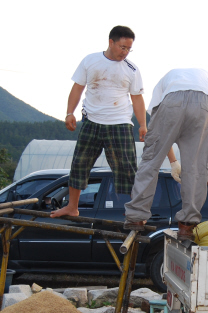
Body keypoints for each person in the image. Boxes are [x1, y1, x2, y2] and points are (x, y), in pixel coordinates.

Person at [123, 68, 208, 240]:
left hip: (171, 101)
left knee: (151, 162)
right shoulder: (207, 77)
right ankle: (187, 225)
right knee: (196, 169)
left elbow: (160, 139)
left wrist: (173, 162)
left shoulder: (166, 79)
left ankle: (136, 217)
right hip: (202, 104)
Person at [51, 25, 147, 218]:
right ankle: (72, 207)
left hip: (120, 123)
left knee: (127, 169)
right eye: (122, 47)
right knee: (79, 164)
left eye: (129, 49)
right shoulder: (90, 60)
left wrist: (143, 124)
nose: (125, 52)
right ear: (111, 42)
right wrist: (69, 113)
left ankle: (135, 213)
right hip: (92, 121)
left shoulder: (132, 69)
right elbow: (77, 88)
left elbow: (137, 98)